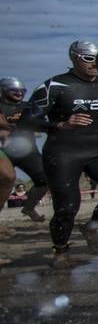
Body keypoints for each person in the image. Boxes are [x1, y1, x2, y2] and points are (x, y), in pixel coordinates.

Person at [27, 41, 98, 266]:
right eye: (88, 58)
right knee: (66, 208)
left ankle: (91, 227)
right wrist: (61, 125)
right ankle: (61, 250)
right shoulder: (55, 85)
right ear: (74, 58)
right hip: (64, 152)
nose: (94, 63)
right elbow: (27, 121)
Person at [0, 77, 49, 221]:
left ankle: (29, 207)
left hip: (28, 151)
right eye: (14, 90)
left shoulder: (28, 106)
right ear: (3, 90)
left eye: (22, 91)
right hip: (4, 151)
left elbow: (41, 123)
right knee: (6, 180)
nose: (19, 93)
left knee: (46, 179)